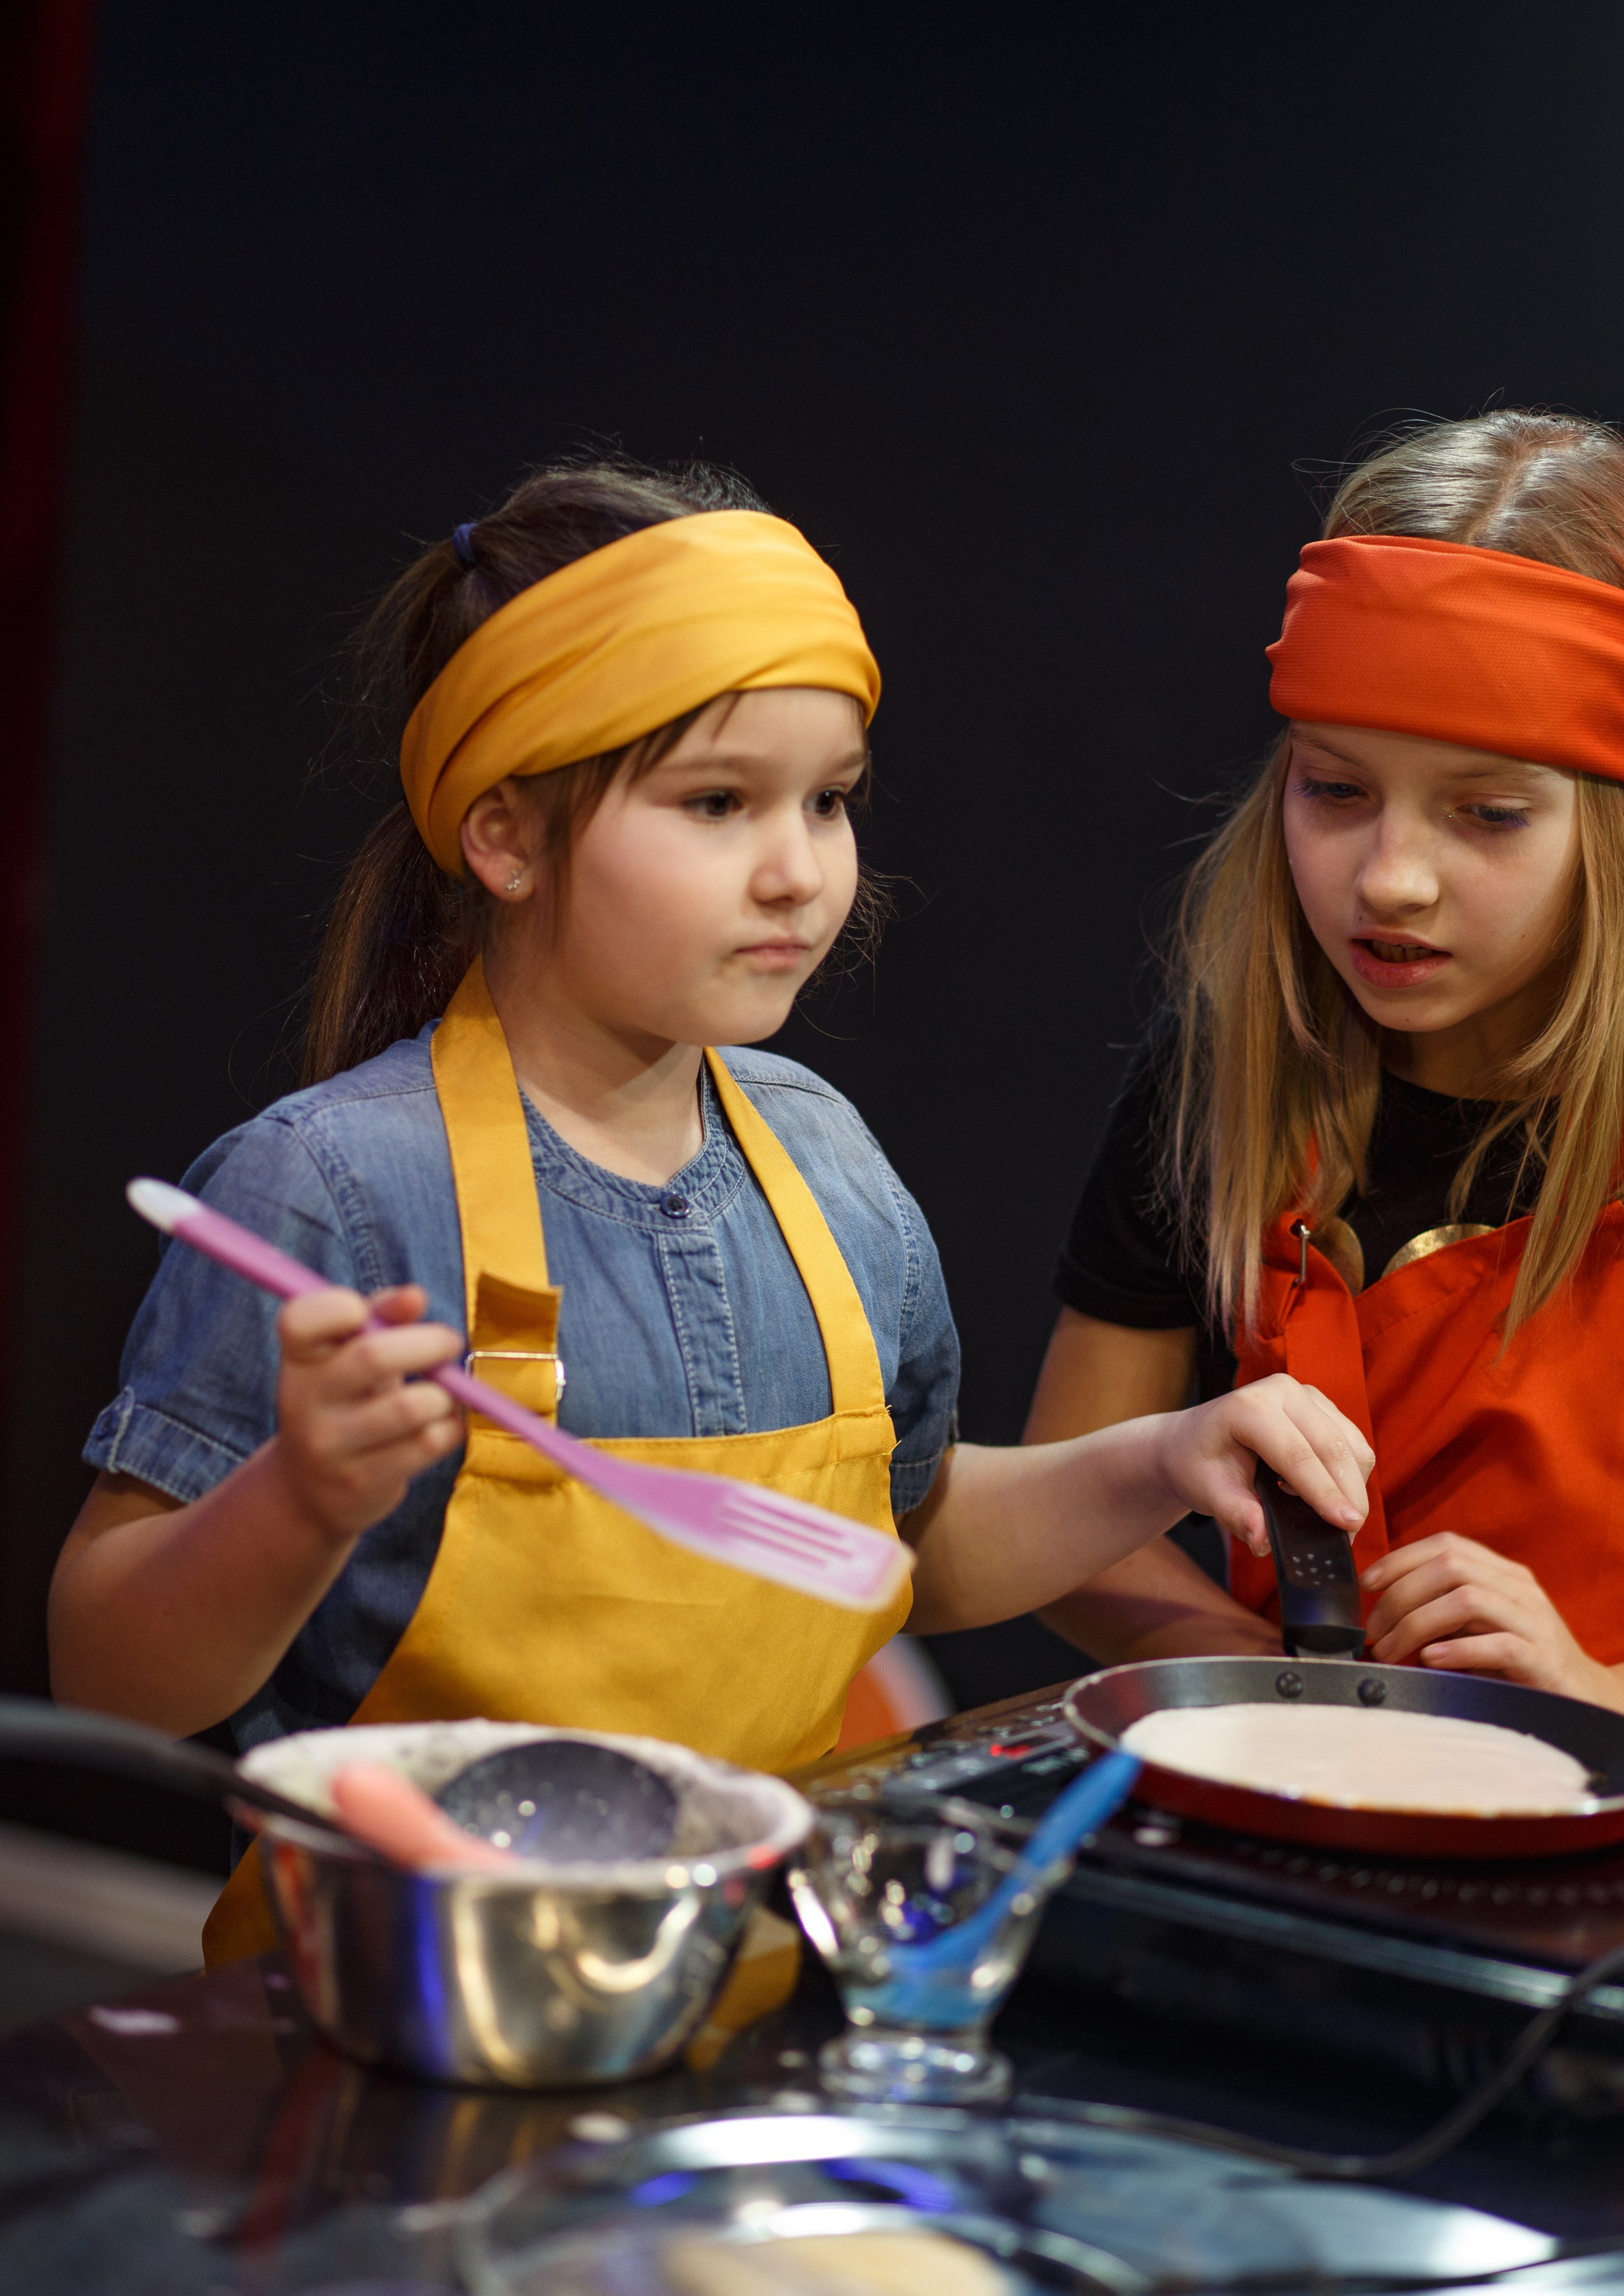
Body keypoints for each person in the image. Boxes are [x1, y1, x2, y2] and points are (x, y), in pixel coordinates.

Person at [48, 458, 1370, 1960]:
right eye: (717, 802)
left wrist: (1160, 1460)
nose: (795, 870)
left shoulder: (828, 1168)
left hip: (754, 2017)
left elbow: (899, 1547)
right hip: (401, 2028)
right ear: (505, 834)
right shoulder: (335, 1195)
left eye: (827, 800)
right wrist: (299, 1499)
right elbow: (111, 1676)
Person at [1030, 410, 1624, 1712]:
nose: (1389, 879)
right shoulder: (1224, 1079)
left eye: (1486, 814)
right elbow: (1062, 1519)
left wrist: (1583, 1691)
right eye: (1335, 790)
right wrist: (1315, 1704)